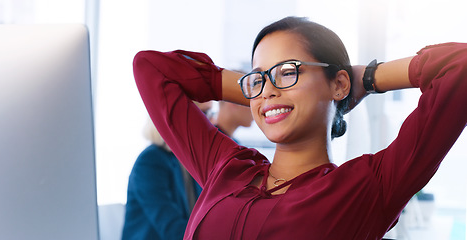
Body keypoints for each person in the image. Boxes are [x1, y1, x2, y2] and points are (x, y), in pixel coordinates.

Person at [132, 16, 467, 240]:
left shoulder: (368, 188)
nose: (270, 87)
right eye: (259, 76)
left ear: (337, 84)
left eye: (288, 71)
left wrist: (365, 78)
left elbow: (459, 67)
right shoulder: (225, 167)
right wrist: (258, 90)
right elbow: (151, 68)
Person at [121, 102, 210, 240]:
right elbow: (170, 227)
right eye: (204, 115)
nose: (210, 122)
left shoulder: (187, 160)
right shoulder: (150, 161)